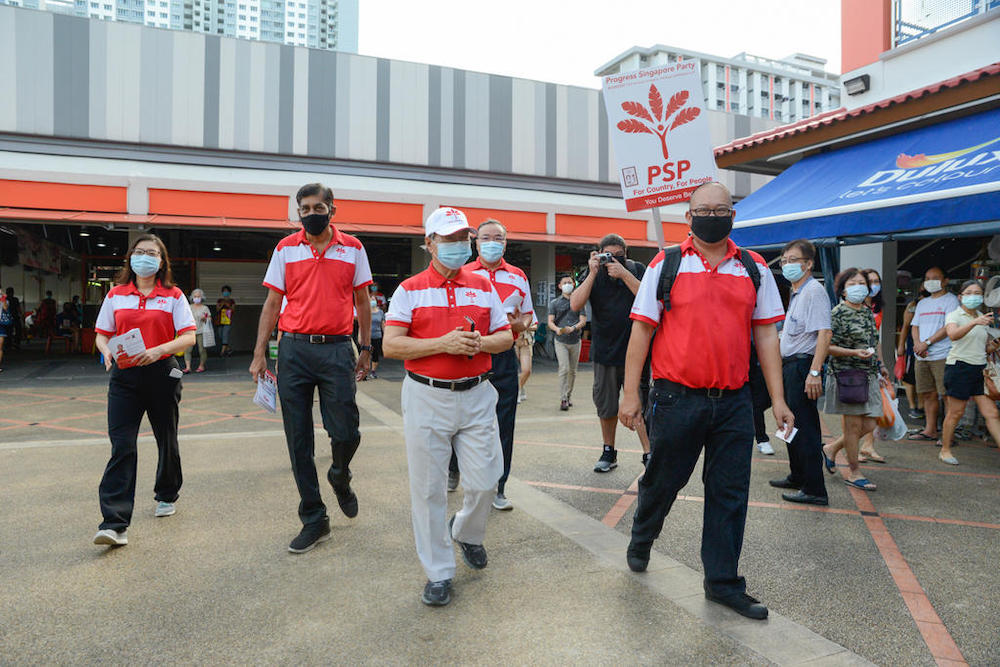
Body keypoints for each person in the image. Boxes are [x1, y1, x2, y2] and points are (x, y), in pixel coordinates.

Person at [619, 181, 792, 620]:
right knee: (663, 480)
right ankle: (643, 535)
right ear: (688, 215)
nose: (712, 216)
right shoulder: (667, 263)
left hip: (735, 402)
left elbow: (767, 333)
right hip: (677, 399)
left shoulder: (754, 268)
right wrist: (629, 393)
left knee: (729, 492)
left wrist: (779, 398)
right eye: (703, 209)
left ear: (733, 215)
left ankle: (722, 583)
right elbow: (641, 329)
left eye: (721, 209)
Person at [383, 206, 513, 607]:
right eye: (449, 239)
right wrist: (442, 344)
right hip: (427, 396)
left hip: (476, 394)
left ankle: (467, 532)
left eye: (463, 239)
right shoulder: (409, 289)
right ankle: (438, 572)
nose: (458, 246)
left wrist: (479, 344)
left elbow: (504, 336)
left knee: (486, 479)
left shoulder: (482, 286)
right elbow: (391, 345)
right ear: (430, 243)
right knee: (428, 489)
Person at [250, 182, 373, 554]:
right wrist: (260, 354)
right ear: (298, 213)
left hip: (337, 351)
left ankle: (339, 474)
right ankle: (314, 517)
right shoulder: (286, 249)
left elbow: (363, 302)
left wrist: (365, 348)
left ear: (332, 209)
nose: (311, 214)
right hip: (294, 351)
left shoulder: (353, 248)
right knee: (298, 439)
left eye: (318, 207)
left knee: (347, 431)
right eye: (304, 208)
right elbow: (273, 303)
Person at [92, 234, 196, 547]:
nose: (145, 257)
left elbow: (189, 336)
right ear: (130, 258)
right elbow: (102, 334)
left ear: (162, 261)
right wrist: (106, 350)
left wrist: (158, 350)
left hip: (166, 370)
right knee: (122, 445)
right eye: (139, 252)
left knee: (167, 436)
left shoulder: (173, 295)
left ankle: (167, 493)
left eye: (152, 253)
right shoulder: (116, 294)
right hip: (124, 375)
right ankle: (114, 523)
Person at [449, 218, 534, 511]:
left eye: (498, 237)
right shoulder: (462, 273)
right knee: (458, 418)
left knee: (503, 423)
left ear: (506, 242)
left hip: (502, 356)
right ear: (476, 242)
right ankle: (453, 466)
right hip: (467, 353)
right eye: (486, 237)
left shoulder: (518, 276)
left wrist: (517, 324)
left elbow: (528, 318)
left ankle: (499, 486)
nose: (492, 242)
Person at [570, 233, 651, 471]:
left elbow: (649, 299)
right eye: (608, 256)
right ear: (599, 255)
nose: (613, 261)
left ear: (626, 255)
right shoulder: (594, 273)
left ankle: (649, 452)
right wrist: (593, 271)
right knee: (606, 406)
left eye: (619, 256)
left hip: (636, 352)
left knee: (641, 405)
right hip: (605, 352)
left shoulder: (636, 269)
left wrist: (624, 274)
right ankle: (609, 451)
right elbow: (575, 304)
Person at [768, 239, 831, 505]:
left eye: (794, 260)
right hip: (790, 365)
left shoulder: (814, 291)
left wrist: (814, 372)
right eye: (784, 261)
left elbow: (824, 333)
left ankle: (815, 489)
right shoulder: (798, 292)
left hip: (803, 366)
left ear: (809, 264)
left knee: (804, 428)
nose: (787, 265)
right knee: (790, 423)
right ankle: (797, 475)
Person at [820, 268, 889, 492]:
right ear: (842, 290)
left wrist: (881, 365)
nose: (858, 287)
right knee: (853, 426)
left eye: (861, 283)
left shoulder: (868, 312)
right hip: (847, 376)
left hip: (868, 375)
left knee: (870, 423)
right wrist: (853, 353)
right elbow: (826, 347)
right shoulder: (837, 313)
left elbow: (874, 341)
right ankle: (854, 471)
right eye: (852, 284)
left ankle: (831, 448)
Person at [939, 280, 1000, 465]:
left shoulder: (983, 316)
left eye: (978, 293)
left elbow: (983, 348)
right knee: (955, 413)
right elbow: (953, 335)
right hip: (959, 367)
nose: (974, 296)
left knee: (992, 413)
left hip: (979, 370)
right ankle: (945, 450)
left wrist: (994, 345)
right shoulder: (954, 315)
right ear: (961, 296)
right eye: (969, 292)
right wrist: (975, 322)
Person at [908, 268, 959, 443]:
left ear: (945, 281)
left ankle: (948, 434)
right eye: (927, 278)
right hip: (922, 356)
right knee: (927, 394)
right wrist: (917, 344)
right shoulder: (923, 303)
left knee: (946, 395)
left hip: (942, 354)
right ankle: (930, 430)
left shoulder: (951, 301)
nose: (931, 281)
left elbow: (948, 327)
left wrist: (927, 343)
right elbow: (915, 325)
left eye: (935, 278)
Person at [548, 274, 587, 411]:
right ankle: (563, 398)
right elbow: (550, 322)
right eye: (564, 283)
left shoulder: (579, 302)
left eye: (569, 282)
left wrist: (574, 328)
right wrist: (557, 329)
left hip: (575, 340)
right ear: (559, 286)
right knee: (564, 369)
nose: (567, 285)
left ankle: (568, 396)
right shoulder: (554, 303)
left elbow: (583, 321)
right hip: (560, 341)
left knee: (573, 371)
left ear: (574, 284)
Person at [897, 290, 927, 419]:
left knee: (922, 379)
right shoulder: (913, 306)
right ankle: (912, 406)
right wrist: (901, 345)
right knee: (910, 378)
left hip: (931, 348)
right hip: (912, 348)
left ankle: (921, 406)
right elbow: (905, 326)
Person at [183, 288, 212, 373]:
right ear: (192, 297)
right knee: (187, 349)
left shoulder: (205, 308)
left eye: (198, 296)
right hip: (190, 331)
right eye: (195, 296)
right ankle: (188, 367)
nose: (197, 298)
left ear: (202, 297)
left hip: (201, 331)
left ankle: (201, 366)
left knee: (202, 349)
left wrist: (205, 318)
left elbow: (209, 318)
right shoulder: (189, 307)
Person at [516, 321, 536, 403]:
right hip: (513, 341)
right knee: (513, 369)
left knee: (527, 370)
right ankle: (519, 388)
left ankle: (518, 388)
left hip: (526, 341)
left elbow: (535, 326)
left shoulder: (528, 310)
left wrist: (525, 327)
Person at [216, 285, 235, 358]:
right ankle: (228, 349)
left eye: (227, 291)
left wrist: (228, 306)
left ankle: (222, 352)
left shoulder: (232, 301)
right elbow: (217, 309)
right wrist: (222, 305)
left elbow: (233, 310)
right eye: (224, 291)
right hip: (220, 321)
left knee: (225, 335)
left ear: (229, 292)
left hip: (227, 321)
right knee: (221, 335)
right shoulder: (219, 300)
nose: (225, 293)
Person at [368, 296, 384, 379]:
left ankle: (373, 371)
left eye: (373, 300)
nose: (372, 301)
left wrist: (385, 335)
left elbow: (383, 324)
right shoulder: (367, 311)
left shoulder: (380, 312)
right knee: (367, 354)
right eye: (371, 300)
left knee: (375, 354)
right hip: (368, 336)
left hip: (377, 336)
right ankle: (365, 372)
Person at [0, 292, 10, 372]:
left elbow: (5, 308)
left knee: (0, 347)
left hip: (1, 324)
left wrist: (3, 298)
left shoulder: (4, 299)